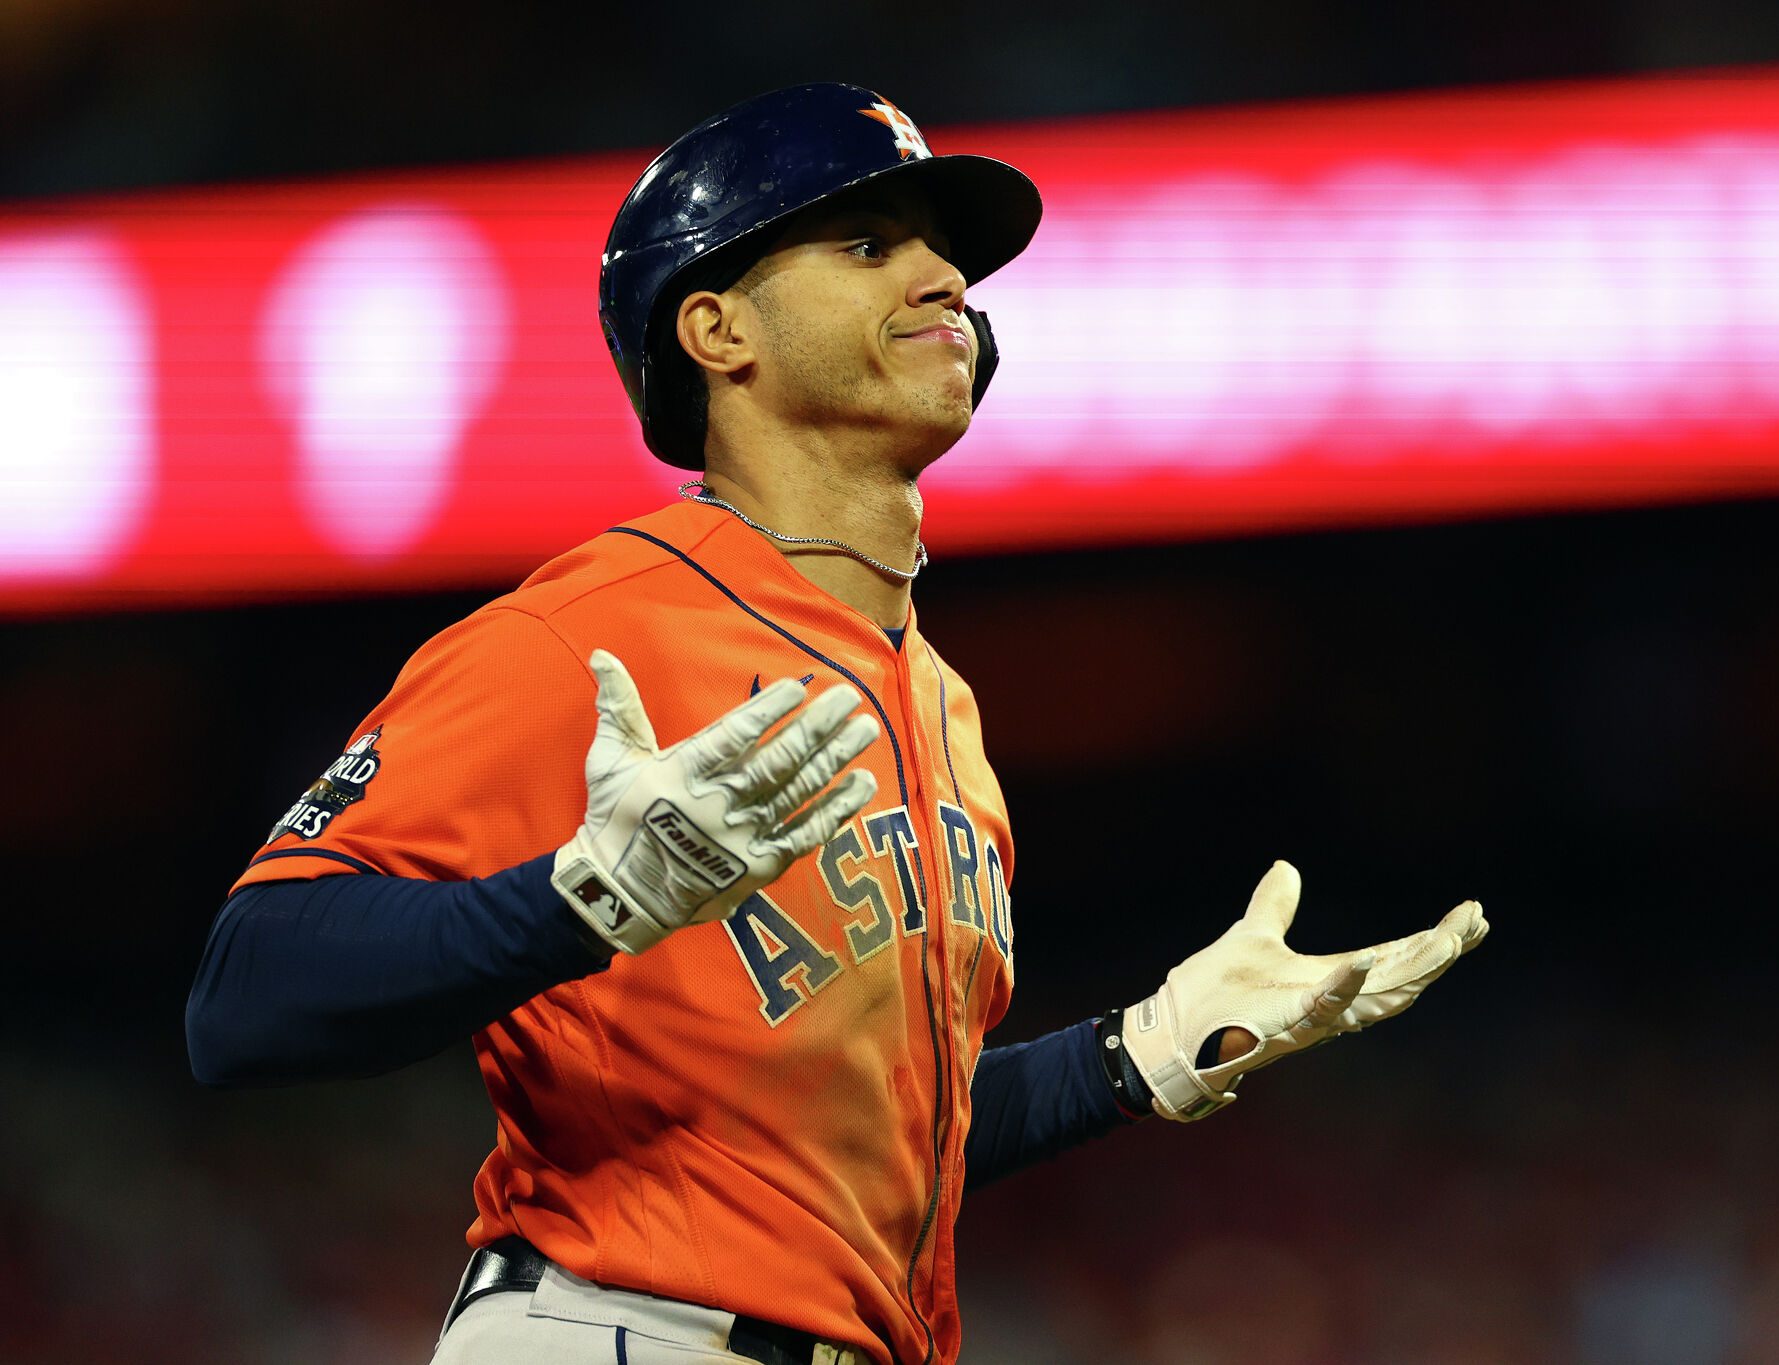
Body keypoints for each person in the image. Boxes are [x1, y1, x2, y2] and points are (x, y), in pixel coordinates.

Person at [185, 83, 1490, 1365]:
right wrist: (580, 898)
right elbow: (244, 995)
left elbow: (870, 1141)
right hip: (613, 1328)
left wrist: (1136, 1048)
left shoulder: (942, 705)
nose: (942, 282)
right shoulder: (582, 635)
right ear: (716, 330)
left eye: (945, 256)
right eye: (870, 245)